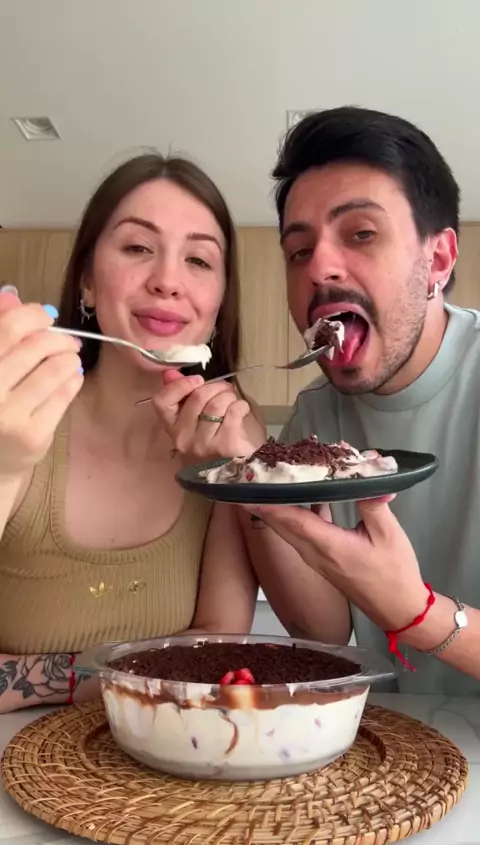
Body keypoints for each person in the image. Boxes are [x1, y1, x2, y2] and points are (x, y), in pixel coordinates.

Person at [154, 107, 480, 696]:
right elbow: (323, 627)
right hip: (389, 738)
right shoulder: (314, 416)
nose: (320, 268)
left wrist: (417, 613)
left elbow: (401, 614)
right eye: (299, 251)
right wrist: (253, 473)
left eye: (361, 234)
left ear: (437, 259)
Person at [0, 153, 262, 714]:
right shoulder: (18, 417)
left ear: (218, 306)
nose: (168, 280)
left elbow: (218, 644)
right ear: (88, 282)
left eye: (198, 260)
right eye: (138, 247)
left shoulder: (233, 436)